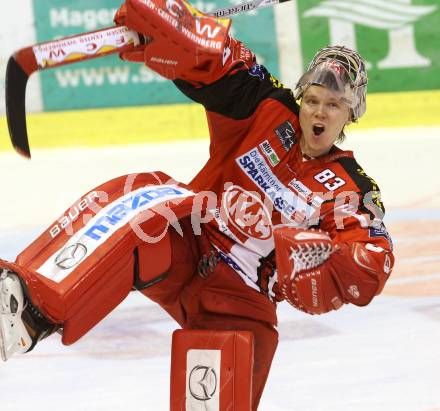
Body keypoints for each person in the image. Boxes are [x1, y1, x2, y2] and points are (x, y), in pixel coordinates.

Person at [0, 0, 394, 409]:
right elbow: (218, 65)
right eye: (312, 100)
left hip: (239, 302)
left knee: (221, 391)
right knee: (145, 198)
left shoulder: (347, 187)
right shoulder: (266, 108)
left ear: (351, 114)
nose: (319, 112)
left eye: (333, 106)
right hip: (186, 248)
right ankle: (26, 308)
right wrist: (180, 27)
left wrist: (327, 260)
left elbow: (372, 258)